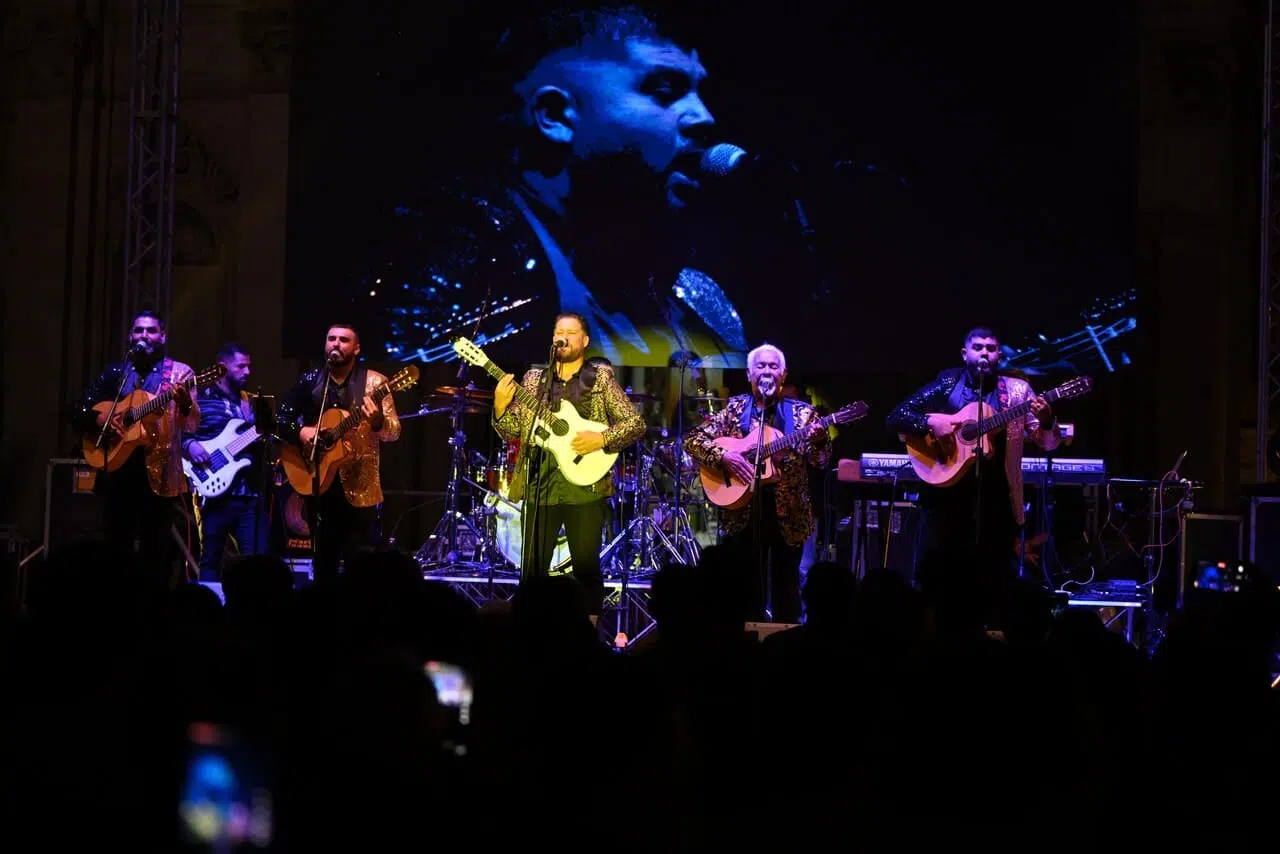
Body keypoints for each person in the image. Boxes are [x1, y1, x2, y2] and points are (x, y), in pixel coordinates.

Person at [356, 4, 751, 369]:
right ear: (556, 115)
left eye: (700, 93)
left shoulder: (698, 297)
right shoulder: (459, 263)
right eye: (664, 91)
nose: (705, 117)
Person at [885, 326, 1061, 619]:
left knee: (993, 582)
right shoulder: (947, 382)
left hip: (997, 503)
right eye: (977, 347)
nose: (984, 354)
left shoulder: (1018, 391)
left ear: (999, 355)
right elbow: (896, 417)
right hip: (945, 502)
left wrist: (1046, 420)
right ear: (964, 353)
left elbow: (1048, 443)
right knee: (940, 583)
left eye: (990, 348)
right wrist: (930, 423)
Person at [492, 312, 646, 622]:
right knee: (532, 571)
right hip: (541, 484)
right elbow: (511, 431)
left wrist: (601, 438)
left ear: (584, 341)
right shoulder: (534, 380)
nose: (563, 336)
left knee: (586, 569)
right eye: (558, 331)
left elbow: (635, 423)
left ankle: (588, 634)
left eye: (571, 332)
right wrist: (499, 406)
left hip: (585, 486)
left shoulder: (600, 379)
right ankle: (529, 633)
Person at [683, 343, 830, 623]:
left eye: (773, 366)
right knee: (745, 593)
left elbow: (820, 461)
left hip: (790, 517)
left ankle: (785, 642)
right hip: (743, 515)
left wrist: (821, 440)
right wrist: (725, 456)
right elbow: (693, 440)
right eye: (760, 366)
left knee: (787, 593)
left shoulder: (803, 414)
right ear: (749, 374)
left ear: (783, 375)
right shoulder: (735, 409)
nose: (767, 371)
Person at [70, 310, 199, 585]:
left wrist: (185, 403)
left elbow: (191, 425)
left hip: (160, 476)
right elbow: (77, 408)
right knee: (116, 550)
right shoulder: (117, 373)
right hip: (118, 473)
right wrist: (100, 419)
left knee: (156, 554)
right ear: (130, 336)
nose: (144, 336)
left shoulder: (180, 374)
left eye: (151, 330)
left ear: (162, 336)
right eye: (139, 330)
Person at [276, 324, 401, 584]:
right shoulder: (311, 381)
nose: (336, 344)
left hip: (360, 488)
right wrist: (302, 432)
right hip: (319, 485)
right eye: (331, 338)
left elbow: (394, 432)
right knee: (324, 565)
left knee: (362, 568)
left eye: (344, 340)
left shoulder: (376, 383)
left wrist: (377, 422)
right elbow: (281, 419)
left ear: (356, 348)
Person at [182, 342, 270, 581]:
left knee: (256, 562)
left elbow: (264, 440)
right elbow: (176, 431)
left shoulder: (250, 402)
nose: (247, 372)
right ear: (222, 367)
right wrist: (189, 445)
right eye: (241, 366)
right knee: (210, 560)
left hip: (249, 494)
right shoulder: (200, 399)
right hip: (214, 496)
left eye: (249, 366)